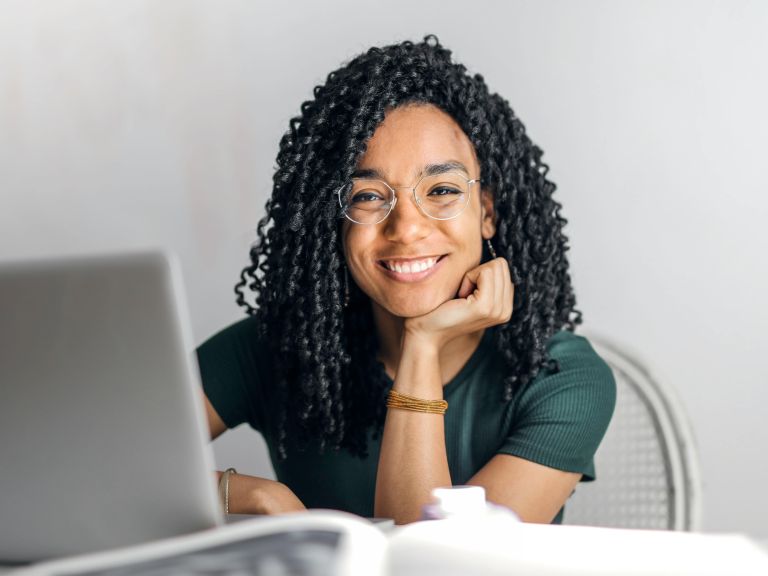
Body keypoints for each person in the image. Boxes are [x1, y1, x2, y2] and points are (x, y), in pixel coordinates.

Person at [197, 35, 616, 525]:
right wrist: (251, 495)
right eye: (368, 196)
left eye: (441, 189)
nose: (408, 228)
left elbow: (433, 563)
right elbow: (98, 463)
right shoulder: (277, 346)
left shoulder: (561, 378)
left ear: (487, 212)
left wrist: (422, 343)